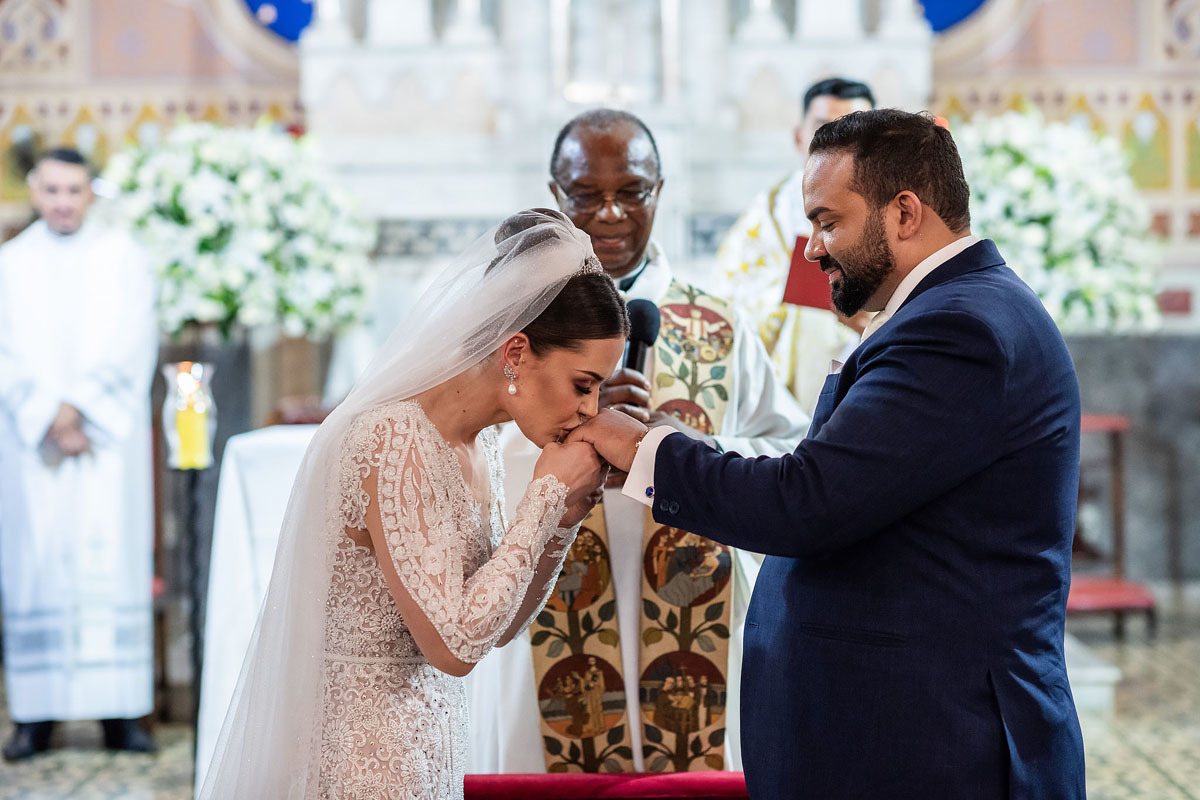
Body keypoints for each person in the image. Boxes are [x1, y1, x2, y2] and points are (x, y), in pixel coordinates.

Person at [572, 110, 1087, 798]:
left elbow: (805, 501)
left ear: (904, 212)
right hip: (905, 734)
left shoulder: (959, 329)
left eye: (828, 221)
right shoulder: (951, 313)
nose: (812, 249)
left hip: (935, 744)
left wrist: (643, 449)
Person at [199, 209, 628, 799]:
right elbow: (453, 646)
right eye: (584, 384)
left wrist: (561, 522)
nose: (590, 409)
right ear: (516, 352)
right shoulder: (393, 439)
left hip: (433, 749)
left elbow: (496, 626)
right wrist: (545, 497)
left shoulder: (483, 444)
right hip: (362, 761)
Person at [483, 109, 808, 775]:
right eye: (585, 194)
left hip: (696, 625)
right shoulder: (512, 331)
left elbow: (792, 461)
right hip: (549, 626)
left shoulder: (716, 326)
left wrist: (685, 450)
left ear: (660, 190)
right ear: (555, 194)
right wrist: (567, 440)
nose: (609, 214)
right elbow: (470, 456)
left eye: (631, 191)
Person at [0, 147, 158, 760]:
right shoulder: (9, 264)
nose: (62, 202)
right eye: (51, 191)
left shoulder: (122, 258)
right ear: (34, 193)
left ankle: (121, 714)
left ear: (91, 192)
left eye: (73, 190)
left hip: (100, 442)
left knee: (108, 561)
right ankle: (36, 717)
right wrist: (47, 415)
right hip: (35, 444)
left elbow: (133, 338)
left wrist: (82, 411)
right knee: (36, 565)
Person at [715, 77, 875, 409]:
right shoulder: (767, 213)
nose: (839, 144)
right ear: (799, 137)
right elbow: (728, 299)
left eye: (855, 132)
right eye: (824, 130)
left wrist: (870, 319)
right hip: (776, 396)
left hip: (866, 373)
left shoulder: (893, 214)